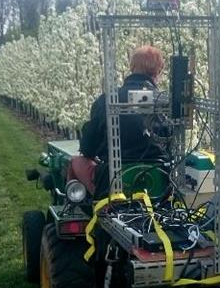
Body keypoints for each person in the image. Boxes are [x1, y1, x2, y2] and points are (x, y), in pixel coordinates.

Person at [71, 45, 168, 194]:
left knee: (77, 162)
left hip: (111, 179)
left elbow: (88, 147)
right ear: (158, 71)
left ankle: (84, 205)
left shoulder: (108, 100)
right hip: (158, 181)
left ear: (132, 67)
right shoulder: (165, 103)